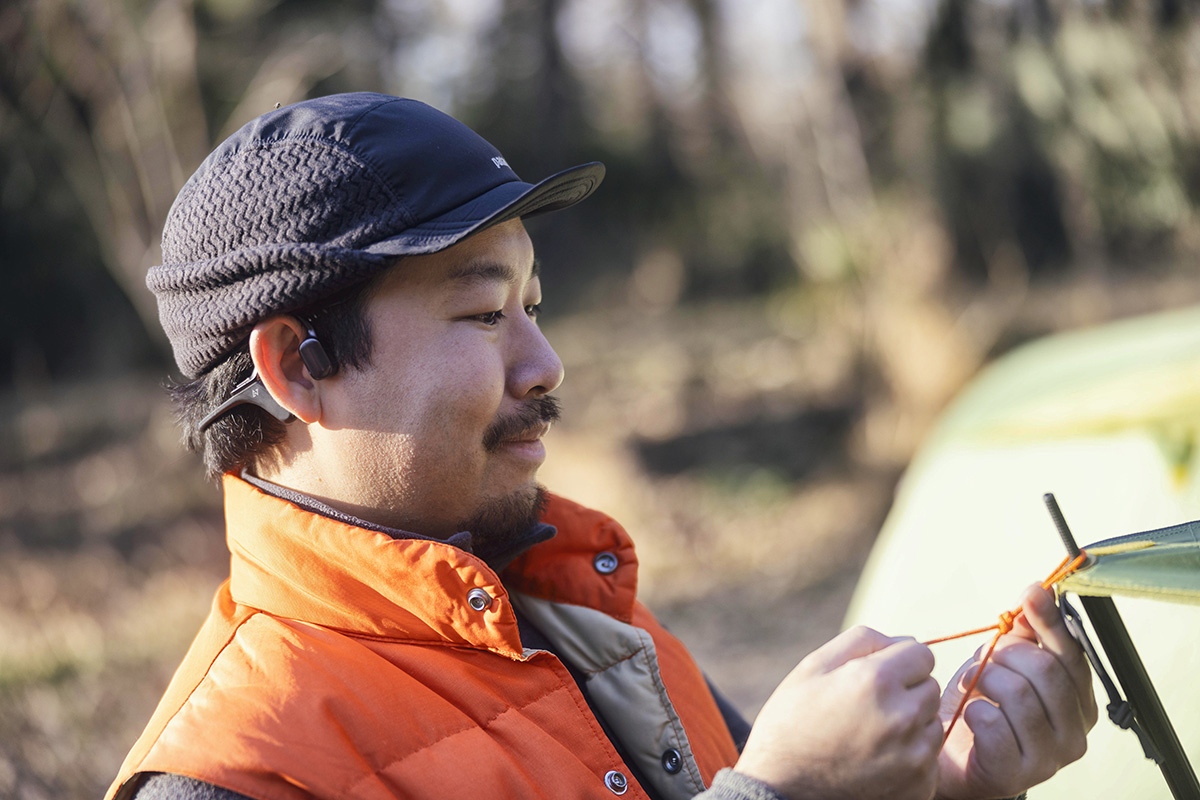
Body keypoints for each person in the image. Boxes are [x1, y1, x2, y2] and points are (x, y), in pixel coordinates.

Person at [107, 92, 1097, 800]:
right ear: (299, 365)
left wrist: (947, 791)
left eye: (533, 305)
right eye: (484, 313)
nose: (546, 363)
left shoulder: (581, 612)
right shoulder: (234, 770)